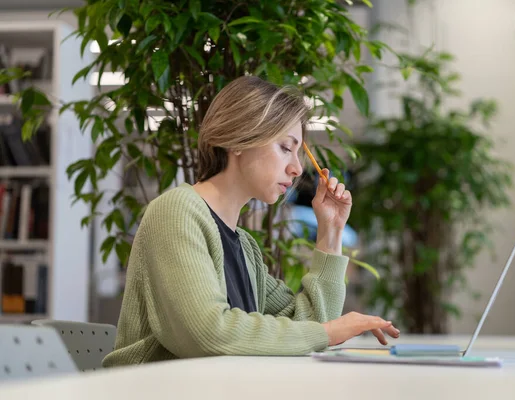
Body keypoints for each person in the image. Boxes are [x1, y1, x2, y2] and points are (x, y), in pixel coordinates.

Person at [102, 76, 399, 366]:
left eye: (297, 152)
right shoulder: (175, 212)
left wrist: (331, 231)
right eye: (285, 147)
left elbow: (308, 324)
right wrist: (326, 333)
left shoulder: (244, 246)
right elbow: (207, 334)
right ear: (239, 140)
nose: (297, 168)